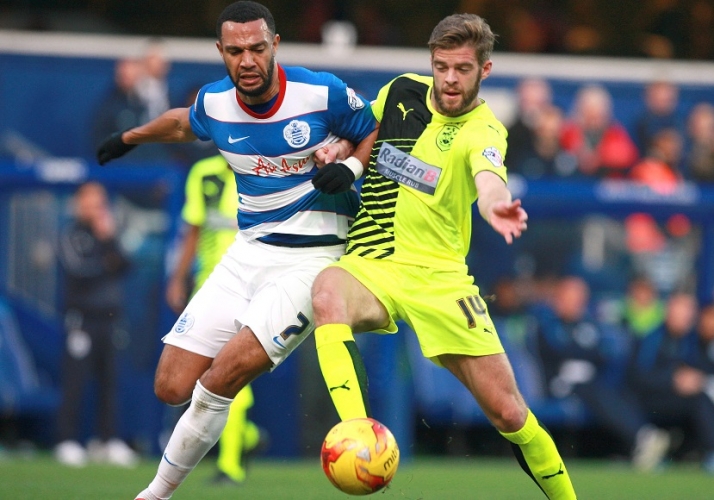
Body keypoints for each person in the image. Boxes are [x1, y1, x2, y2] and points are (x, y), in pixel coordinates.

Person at [95, 2, 376, 499]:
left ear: (275, 45)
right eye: (235, 51)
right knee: (171, 386)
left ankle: (154, 494)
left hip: (312, 262)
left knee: (220, 379)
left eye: (256, 48)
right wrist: (129, 137)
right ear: (221, 52)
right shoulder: (216, 102)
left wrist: (350, 166)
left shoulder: (321, 92)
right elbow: (183, 123)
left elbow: (371, 127)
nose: (247, 60)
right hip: (246, 254)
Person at [311, 13, 577, 499]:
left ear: (484, 70)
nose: (450, 79)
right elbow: (364, 133)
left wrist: (495, 206)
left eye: (462, 69)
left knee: (510, 413)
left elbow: (489, 179)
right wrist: (341, 153)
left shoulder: (485, 130)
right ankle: (359, 437)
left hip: (441, 280)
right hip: (372, 263)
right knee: (328, 292)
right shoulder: (399, 91)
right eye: (442, 67)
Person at [165, 154, 265, 486]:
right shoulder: (203, 174)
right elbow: (193, 230)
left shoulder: (268, 169)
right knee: (198, 375)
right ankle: (246, 436)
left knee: (230, 372)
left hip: (252, 288)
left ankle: (230, 465)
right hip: (209, 286)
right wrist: (178, 278)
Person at [532, 276, 670, 470]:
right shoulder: (545, 325)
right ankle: (643, 437)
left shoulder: (588, 325)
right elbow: (556, 352)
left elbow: (600, 354)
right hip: (559, 384)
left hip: (589, 384)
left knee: (615, 389)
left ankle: (638, 442)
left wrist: (581, 355)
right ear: (558, 299)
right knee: (594, 391)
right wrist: (580, 355)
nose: (576, 304)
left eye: (580, 299)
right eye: (571, 298)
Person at [54, 182, 138, 468]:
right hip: (82, 319)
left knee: (111, 384)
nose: (96, 208)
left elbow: (126, 265)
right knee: (75, 383)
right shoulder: (71, 234)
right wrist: (106, 258)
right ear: (79, 203)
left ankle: (106, 440)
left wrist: (108, 240)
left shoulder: (108, 233)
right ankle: (66, 440)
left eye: (100, 202)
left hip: (110, 319)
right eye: (91, 202)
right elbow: (80, 270)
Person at [628, 291, 714, 472]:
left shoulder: (693, 340)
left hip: (683, 399)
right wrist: (673, 379)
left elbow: (703, 370)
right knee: (699, 401)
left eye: (689, 310)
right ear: (669, 310)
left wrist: (695, 379)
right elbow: (639, 377)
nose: (686, 315)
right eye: (681, 309)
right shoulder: (652, 338)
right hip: (652, 399)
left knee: (702, 397)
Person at [560, 84, 639, 178]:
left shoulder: (615, 132)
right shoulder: (569, 131)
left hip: (606, 180)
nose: (593, 115)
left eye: (597, 110)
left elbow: (627, 156)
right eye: (588, 110)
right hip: (573, 182)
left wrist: (599, 157)